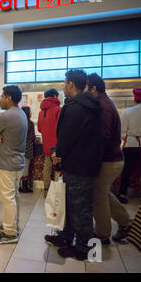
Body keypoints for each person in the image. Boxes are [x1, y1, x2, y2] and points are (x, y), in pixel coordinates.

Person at [45, 69, 102, 261]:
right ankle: (65, 237)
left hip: (78, 166)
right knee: (71, 205)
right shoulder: (90, 104)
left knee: (80, 208)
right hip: (84, 163)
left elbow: (67, 137)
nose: (62, 86)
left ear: (70, 84)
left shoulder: (76, 107)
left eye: (64, 82)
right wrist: (57, 150)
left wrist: (57, 153)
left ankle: (86, 248)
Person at [85, 74, 131, 244]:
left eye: (86, 88)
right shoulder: (105, 103)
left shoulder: (102, 107)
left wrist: (91, 161)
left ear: (93, 89)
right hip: (113, 158)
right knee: (103, 192)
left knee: (98, 195)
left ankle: (102, 234)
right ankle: (126, 222)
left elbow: (102, 138)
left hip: (108, 160)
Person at [0, 86, 27, 244]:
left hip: (6, 162)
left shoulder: (5, 116)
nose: (0, 99)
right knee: (14, 195)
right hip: (18, 161)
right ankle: (13, 224)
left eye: (2, 96)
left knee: (7, 198)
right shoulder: (21, 114)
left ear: (9, 98)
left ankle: (10, 232)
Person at [37, 88, 61, 197]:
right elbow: (62, 128)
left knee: (47, 168)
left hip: (46, 145)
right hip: (58, 146)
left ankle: (46, 190)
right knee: (58, 168)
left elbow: (39, 129)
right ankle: (58, 190)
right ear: (55, 96)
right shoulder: (58, 109)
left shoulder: (41, 112)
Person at [20, 106, 35, 193]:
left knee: (19, 168)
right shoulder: (30, 123)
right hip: (28, 147)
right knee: (25, 168)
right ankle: (25, 187)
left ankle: (18, 186)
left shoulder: (19, 123)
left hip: (19, 147)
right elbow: (33, 137)